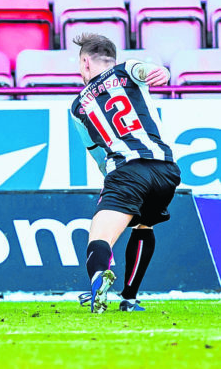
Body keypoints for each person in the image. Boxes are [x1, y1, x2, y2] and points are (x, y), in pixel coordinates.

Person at [69, 33, 181, 314]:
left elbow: (96, 152)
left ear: (85, 62)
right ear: (112, 58)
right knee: (145, 226)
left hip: (127, 171)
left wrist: (113, 182)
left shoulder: (78, 106)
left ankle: (98, 281)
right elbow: (145, 70)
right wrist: (162, 71)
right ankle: (129, 298)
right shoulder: (128, 69)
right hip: (165, 169)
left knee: (100, 238)